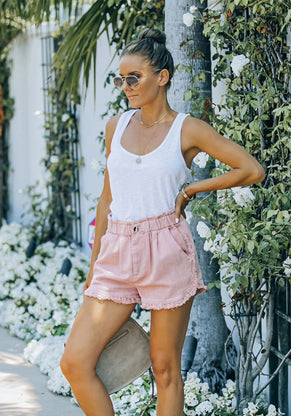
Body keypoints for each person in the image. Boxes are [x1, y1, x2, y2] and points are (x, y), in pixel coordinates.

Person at [60, 28, 265, 416]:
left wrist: (191, 190)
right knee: (74, 362)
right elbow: (107, 199)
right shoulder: (115, 127)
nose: (125, 86)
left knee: (166, 369)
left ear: (162, 77)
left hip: (166, 249)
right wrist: (94, 269)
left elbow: (251, 168)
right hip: (116, 251)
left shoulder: (186, 129)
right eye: (121, 79)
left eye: (133, 78)